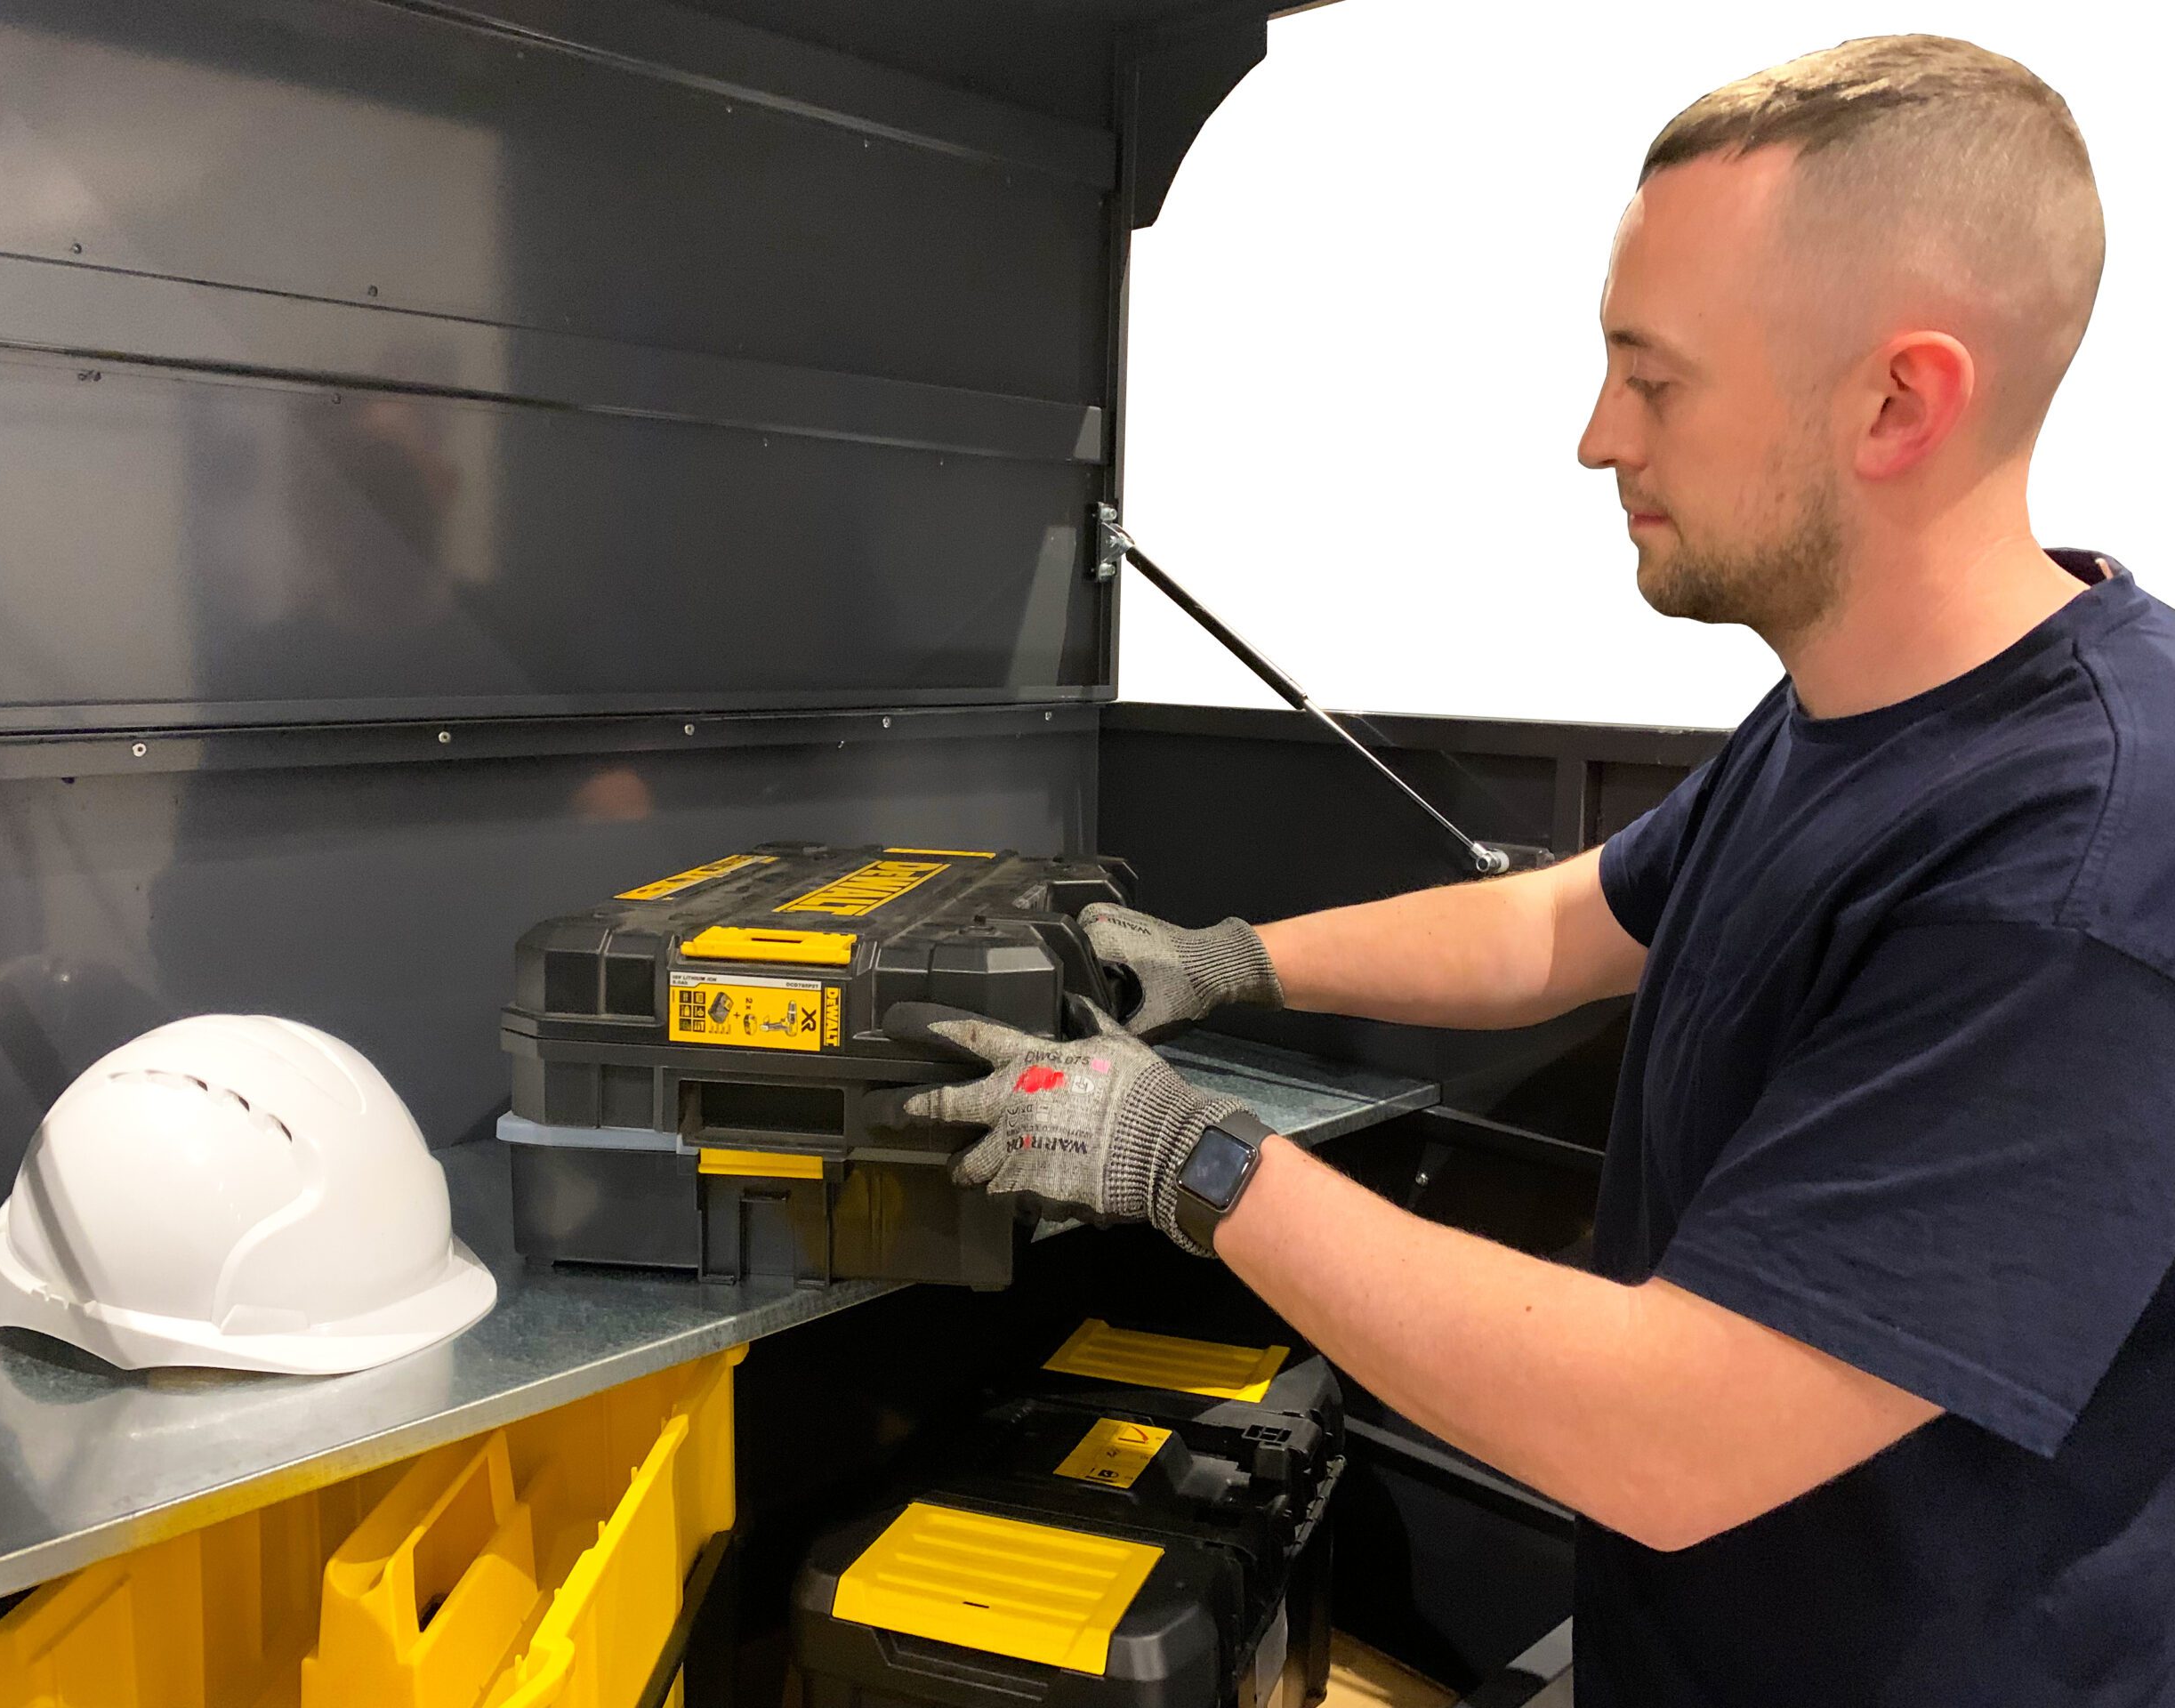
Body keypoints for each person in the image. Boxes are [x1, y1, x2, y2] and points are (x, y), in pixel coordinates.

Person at [883, 35, 2175, 1707]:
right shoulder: (1862, 719)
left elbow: (1670, 1433)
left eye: (1656, 378)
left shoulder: (2076, 868)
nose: (1594, 437)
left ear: (1896, 401)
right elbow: (1564, 922)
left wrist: (1193, 1165)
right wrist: (1232, 959)